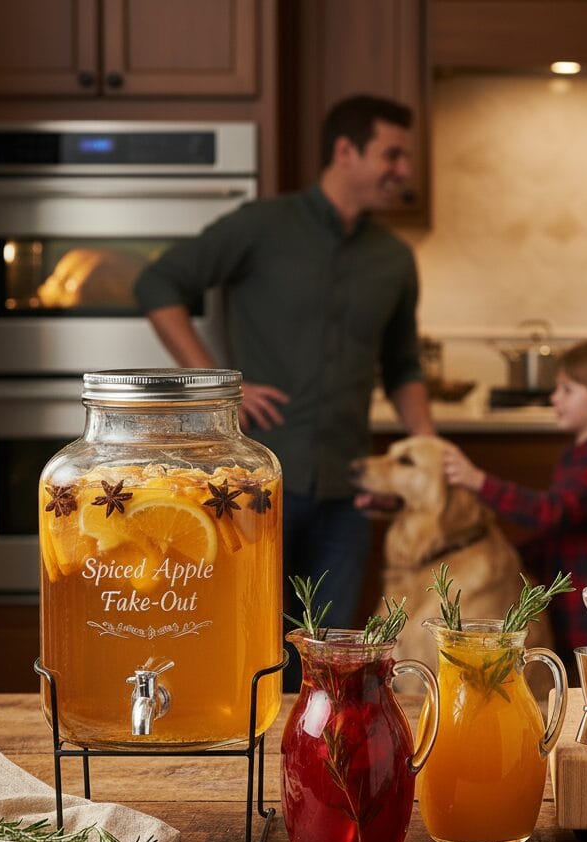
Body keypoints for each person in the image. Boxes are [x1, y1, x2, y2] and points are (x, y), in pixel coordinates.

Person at [134, 95, 436, 654]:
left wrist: (432, 456)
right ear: (345, 151)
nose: (405, 172)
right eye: (392, 155)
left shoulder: (393, 259)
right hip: (255, 484)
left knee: (327, 657)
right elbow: (157, 283)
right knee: (248, 646)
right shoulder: (261, 227)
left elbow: (402, 366)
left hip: (348, 493)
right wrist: (219, 388)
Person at [443, 340, 587, 669]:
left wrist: (479, 481)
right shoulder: (577, 453)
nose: (554, 398)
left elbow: (551, 512)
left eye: (567, 390)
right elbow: (559, 530)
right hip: (564, 590)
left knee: (585, 676)